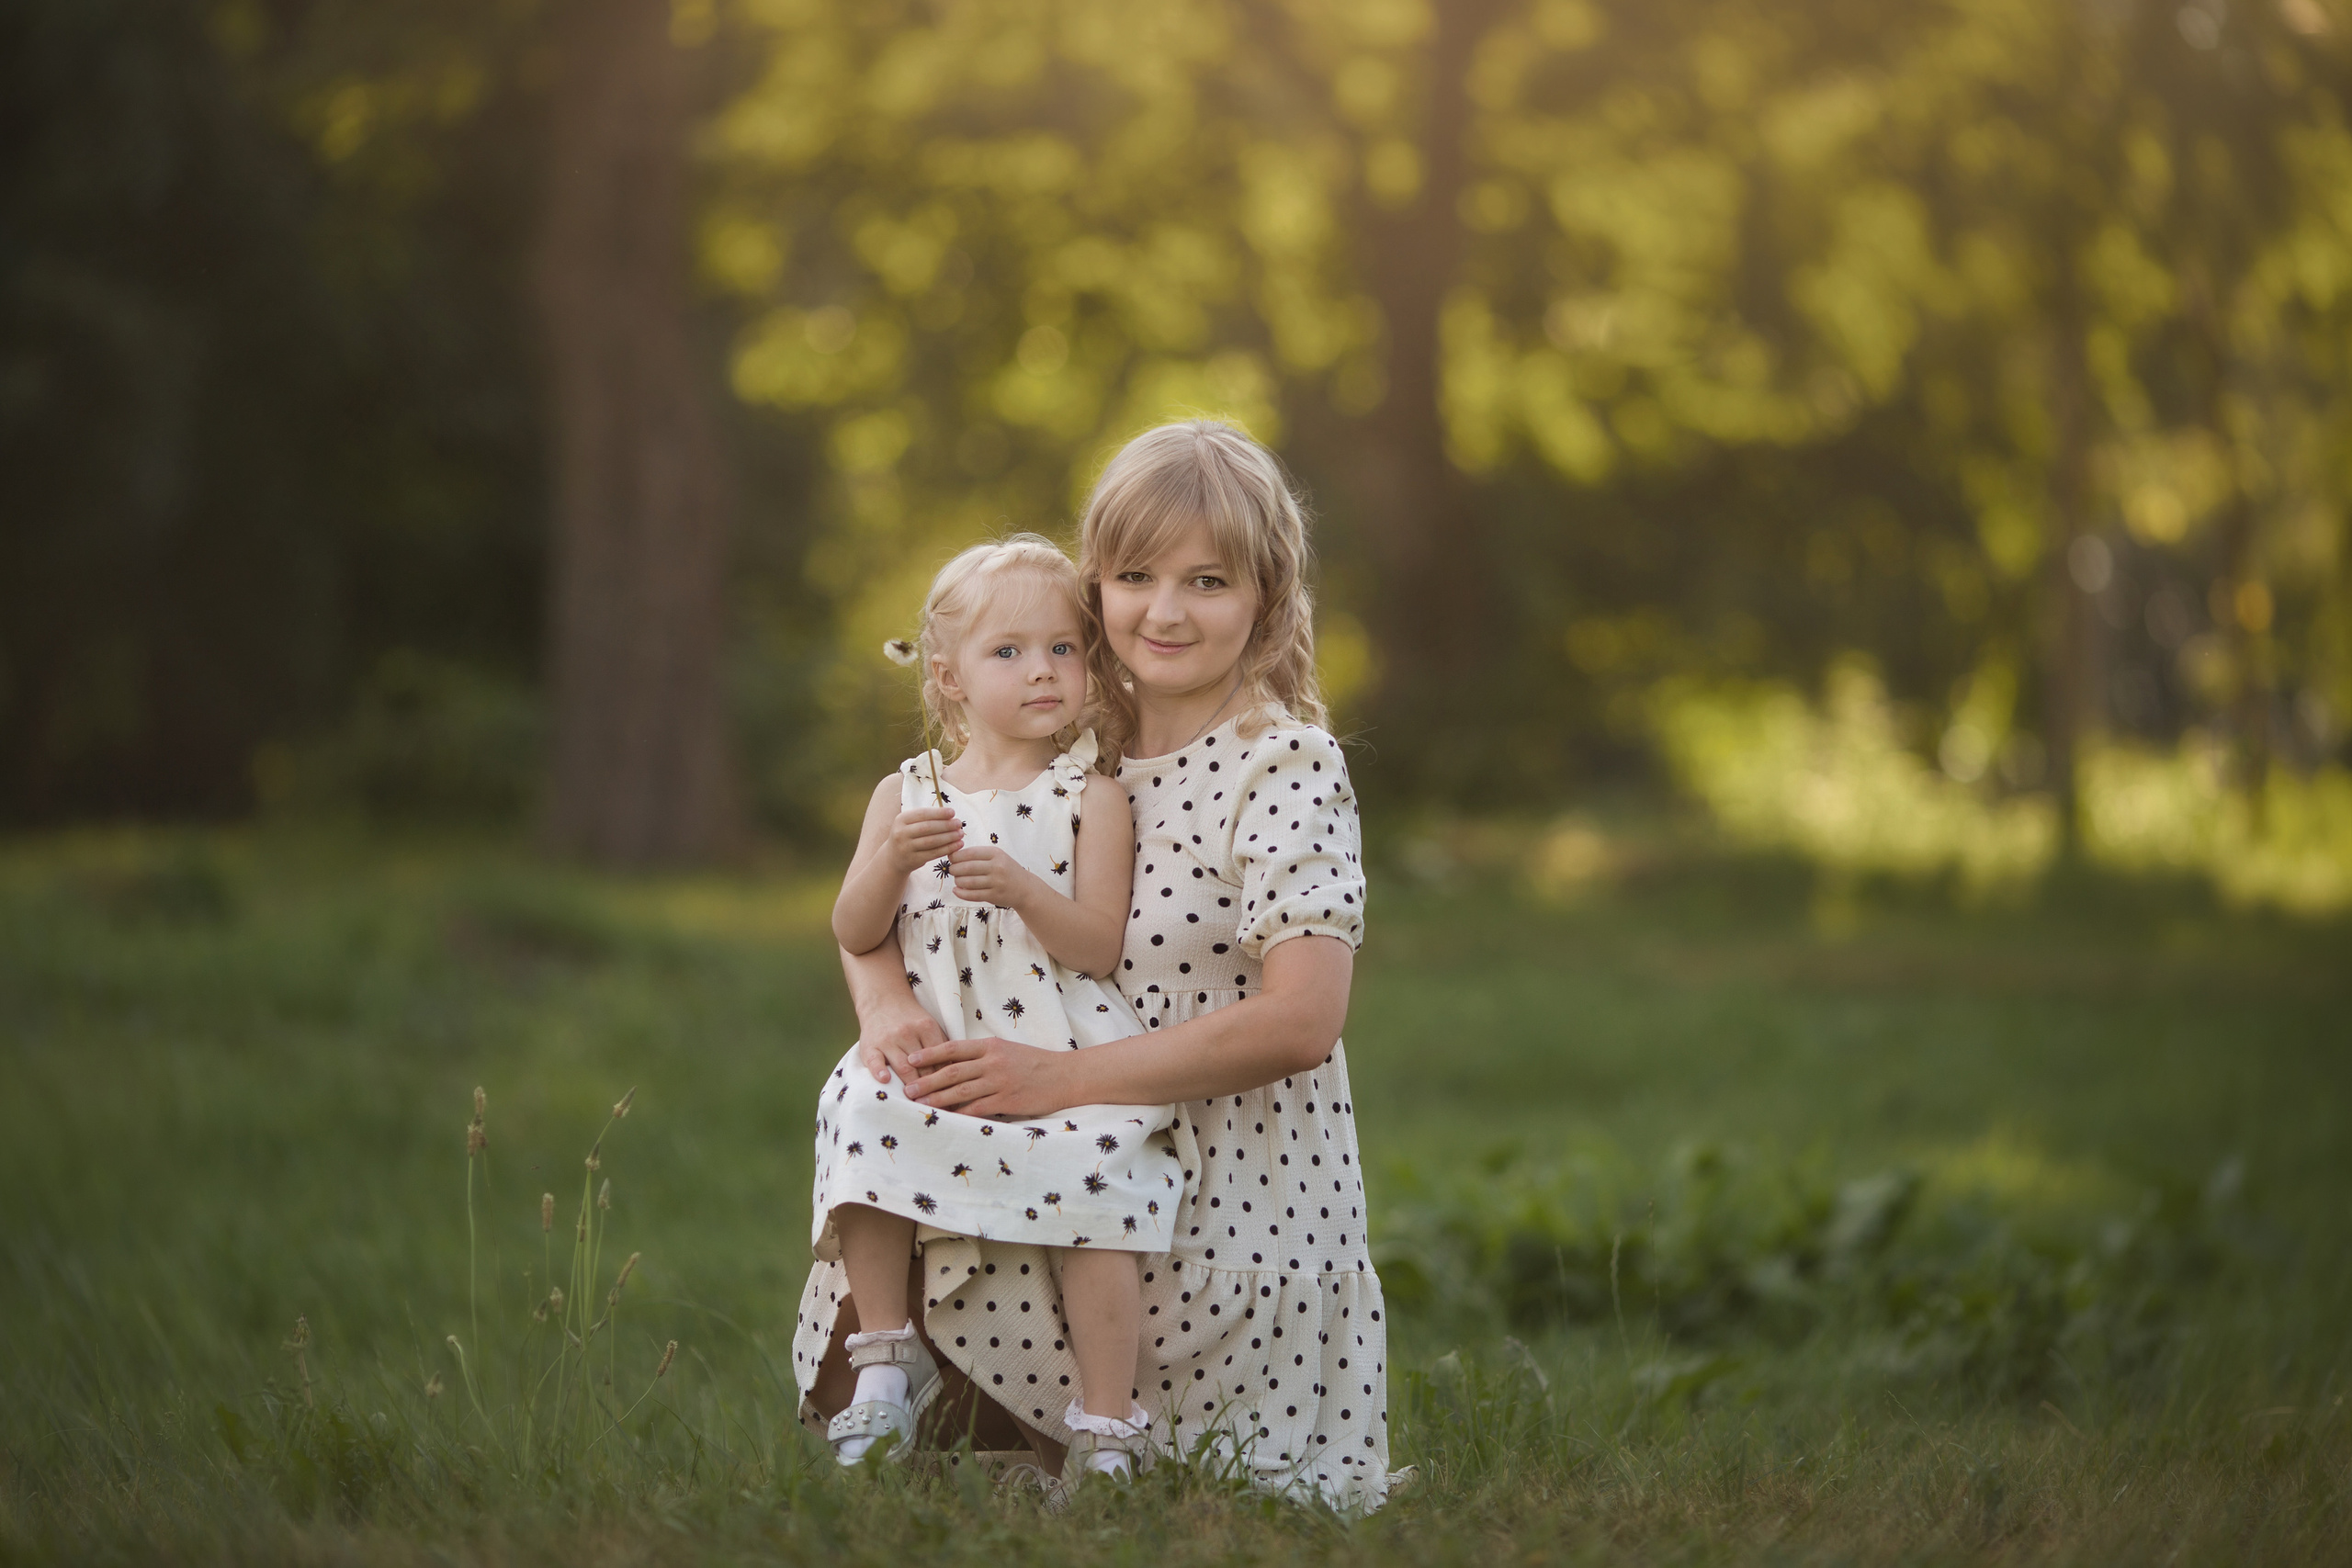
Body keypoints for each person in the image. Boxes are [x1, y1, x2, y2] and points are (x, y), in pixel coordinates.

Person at [797, 421, 1397, 1509]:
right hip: (1062, 1146)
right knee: (885, 1135)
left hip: (1229, 1194)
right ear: (1094, 591)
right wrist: (884, 1000)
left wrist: (1058, 1082)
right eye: (1134, 577)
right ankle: (934, 1395)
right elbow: (900, 897)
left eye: (1207, 580)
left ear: (1266, 593)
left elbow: (1304, 1021)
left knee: (1206, 1492)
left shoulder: (1286, 766)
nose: (1165, 611)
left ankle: (1104, 1425)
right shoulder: (1070, 734)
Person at [801, 535, 1182, 1478]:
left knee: (1102, 1177)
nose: (1042, 671)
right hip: (937, 1044)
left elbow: (1096, 942)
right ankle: (882, 1366)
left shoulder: (1091, 794)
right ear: (950, 678)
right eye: (1007, 652)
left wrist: (1020, 888)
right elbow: (855, 927)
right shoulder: (908, 790)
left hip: (1058, 1044)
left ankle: (1104, 1428)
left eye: (1062, 648)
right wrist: (890, 859)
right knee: (863, 1113)